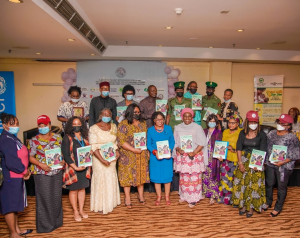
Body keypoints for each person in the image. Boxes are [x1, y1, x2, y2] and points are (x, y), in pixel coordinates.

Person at [28, 115, 65, 233]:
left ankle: (57, 222)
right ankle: (45, 226)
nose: (43, 127)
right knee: (44, 198)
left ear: (50, 125)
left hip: (57, 171)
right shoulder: (34, 140)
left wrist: (63, 159)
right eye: (40, 125)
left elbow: (62, 152)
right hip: (41, 172)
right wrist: (41, 164)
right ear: (38, 127)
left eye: (45, 125)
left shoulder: (58, 137)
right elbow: (30, 157)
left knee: (56, 196)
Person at [0, 113, 32, 238]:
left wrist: (25, 170)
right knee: (9, 206)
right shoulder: (5, 140)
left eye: (17, 123)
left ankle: (17, 229)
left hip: (17, 176)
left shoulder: (12, 137)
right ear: (4, 125)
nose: (16, 126)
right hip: (11, 178)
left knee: (14, 205)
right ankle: (13, 234)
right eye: (12, 124)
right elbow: (12, 161)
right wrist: (25, 171)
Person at [231, 111, 267, 218]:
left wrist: (258, 164)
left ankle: (251, 207)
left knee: (253, 184)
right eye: (251, 121)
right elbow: (238, 148)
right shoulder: (242, 133)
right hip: (243, 159)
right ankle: (242, 205)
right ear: (247, 122)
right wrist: (240, 163)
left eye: (255, 122)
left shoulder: (262, 134)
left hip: (257, 160)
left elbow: (263, 150)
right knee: (241, 183)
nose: (253, 124)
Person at [265, 114, 299, 217]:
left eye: (282, 123)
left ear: (288, 126)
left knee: (281, 187)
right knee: (269, 183)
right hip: (270, 163)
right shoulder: (271, 134)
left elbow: (296, 154)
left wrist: (283, 162)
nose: (279, 124)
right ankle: (268, 202)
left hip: (284, 166)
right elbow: (265, 147)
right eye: (279, 122)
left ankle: (278, 208)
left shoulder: (292, 137)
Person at [117, 103, 149, 208]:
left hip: (141, 155)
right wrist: (134, 150)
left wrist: (146, 150)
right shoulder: (123, 124)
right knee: (127, 177)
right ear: (130, 112)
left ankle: (141, 196)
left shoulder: (143, 123)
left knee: (141, 175)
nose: (137, 114)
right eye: (135, 112)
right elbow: (121, 141)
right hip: (128, 155)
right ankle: (127, 198)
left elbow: (145, 138)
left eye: (139, 112)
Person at [89, 108, 121, 214]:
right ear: (100, 115)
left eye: (108, 114)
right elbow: (93, 146)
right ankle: (100, 205)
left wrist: (117, 151)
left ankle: (111, 202)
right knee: (100, 179)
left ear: (111, 116)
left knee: (110, 177)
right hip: (99, 158)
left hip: (111, 157)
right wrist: (102, 160)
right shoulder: (94, 128)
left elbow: (115, 141)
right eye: (104, 114)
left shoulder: (113, 127)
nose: (106, 116)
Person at [173, 108, 207, 208]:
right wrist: (178, 149)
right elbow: (175, 142)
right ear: (182, 117)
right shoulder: (177, 127)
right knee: (184, 177)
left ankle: (194, 198)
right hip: (183, 157)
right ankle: (184, 196)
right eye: (185, 116)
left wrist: (194, 152)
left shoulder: (197, 127)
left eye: (189, 116)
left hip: (194, 156)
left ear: (192, 117)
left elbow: (202, 143)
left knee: (194, 178)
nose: (187, 118)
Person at [61, 116, 91, 221]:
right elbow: (66, 155)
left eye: (78, 124)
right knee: (73, 190)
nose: (76, 126)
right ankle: (75, 211)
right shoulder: (67, 137)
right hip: (73, 168)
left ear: (82, 125)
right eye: (74, 124)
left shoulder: (85, 137)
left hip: (84, 167)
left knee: (82, 189)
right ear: (70, 125)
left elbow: (87, 150)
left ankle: (81, 210)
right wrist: (75, 167)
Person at [146, 112, 175, 206]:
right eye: (157, 119)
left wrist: (169, 149)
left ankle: (167, 196)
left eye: (161, 119)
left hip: (167, 157)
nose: (160, 121)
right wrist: (155, 152)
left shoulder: (168, 128)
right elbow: (148, 144)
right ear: (154, 120)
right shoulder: (150, 130)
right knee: (156, 176)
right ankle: (159, 196)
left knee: (167, 177)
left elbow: (172, 141)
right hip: (155, 157)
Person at [218, 115, 242, 205]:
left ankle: (232, 200)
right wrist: (220, 154)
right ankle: (223, 198)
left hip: (235, 159)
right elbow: (221, 145)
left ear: (237, 123)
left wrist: (234, 149)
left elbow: (243, 147)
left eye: (233, 123)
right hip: (225, 159)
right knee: (224, 179)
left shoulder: (241, 133)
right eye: (229, 123)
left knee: (233, 180)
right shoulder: (225, 132)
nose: (231, 125)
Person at [202, 114, 222, 204]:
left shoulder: (219, 133)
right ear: (207, 122)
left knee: (213, 175)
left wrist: (220, 155)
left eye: (214, 121)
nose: (212, 123)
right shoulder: (203, 131)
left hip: (214, 158)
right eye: (210, 121)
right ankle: (205, 193)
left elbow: (221, 146)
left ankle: (213, 195)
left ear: (216, 123)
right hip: (203, 156)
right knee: (204, 175)